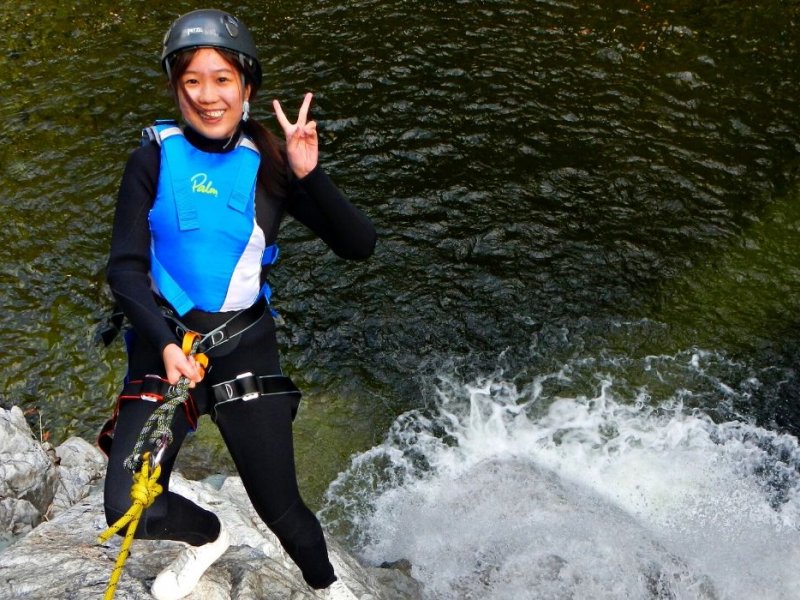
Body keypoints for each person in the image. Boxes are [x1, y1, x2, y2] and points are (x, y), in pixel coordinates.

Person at [99, 8, 376, 600]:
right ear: (176, 87)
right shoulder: (152, 157)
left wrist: (311, 175)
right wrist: (167, 345)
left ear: (246, 87)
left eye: (222, 79)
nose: (207, 95)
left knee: (283, 510)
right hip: (163, 347)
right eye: (192, 80)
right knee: (128, 504)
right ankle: (208, 536)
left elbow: (359, 246)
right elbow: (124, 267)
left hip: (244, 347)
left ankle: (330, 589)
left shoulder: (270, 165)